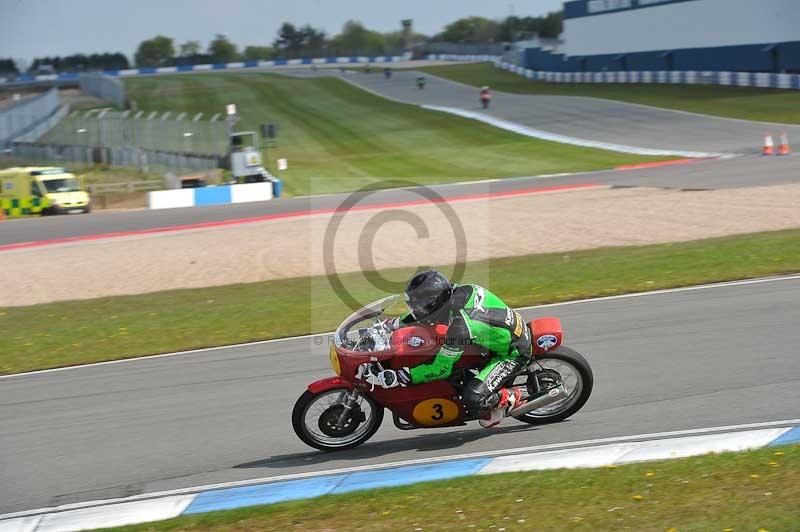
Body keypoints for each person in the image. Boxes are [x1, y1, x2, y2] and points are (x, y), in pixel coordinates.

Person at [359, 270, 531, 428]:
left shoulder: (459, 328)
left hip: (511, 352)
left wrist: (401, 376)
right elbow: (425, 316)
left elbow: (441, 369)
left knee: (473, 399)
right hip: (494, 334)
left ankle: (510, 397)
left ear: (436, 301)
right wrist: (389, 325)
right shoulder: (458, 291)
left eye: (421, 306)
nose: (417, 310)